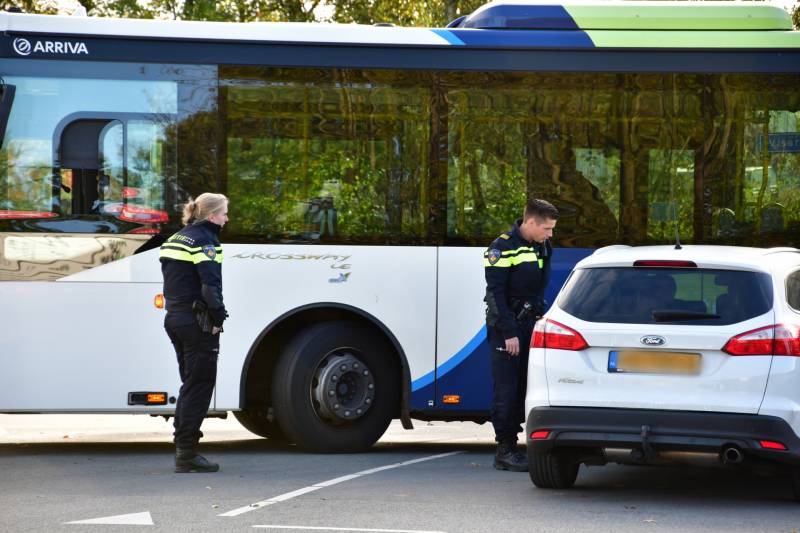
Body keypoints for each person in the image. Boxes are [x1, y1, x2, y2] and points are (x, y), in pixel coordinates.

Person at [484, 199, 558, 472]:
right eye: (547, 228)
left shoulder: (541, 246)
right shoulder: (501, 247)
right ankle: (504, 450)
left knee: (525, 387)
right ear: (530, 223)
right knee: (506, 388)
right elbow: (495, 295)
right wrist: (509, 333)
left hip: (530, 325)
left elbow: (537, 290)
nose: (551, 234)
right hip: (507, 329)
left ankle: (517, 446)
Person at [159, 193, 229, 473]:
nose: (226, 219)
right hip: (197, 321)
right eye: (224, 213)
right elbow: (210, 285)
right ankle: (186, 452)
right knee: (199, 386)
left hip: (175, 318)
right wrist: (218, 318)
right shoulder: (206, 241)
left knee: (190, 383)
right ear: (211, 215)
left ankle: (184, 448)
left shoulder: (176, 238)